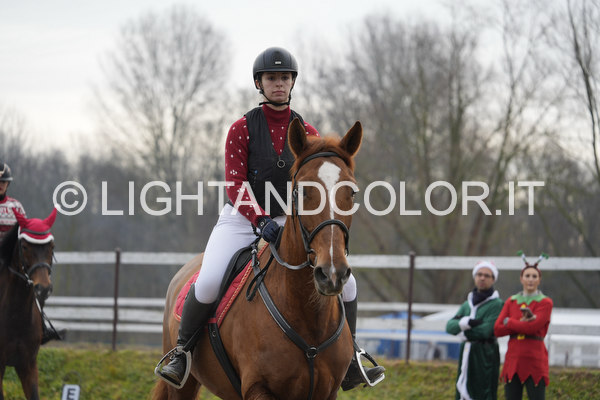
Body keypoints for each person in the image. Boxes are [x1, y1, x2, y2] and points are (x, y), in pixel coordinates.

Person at [156, 47, 385, 389]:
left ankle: (351, 358)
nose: (279, 83)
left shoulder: (308, 131)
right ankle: (182, 352)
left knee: (347, 283)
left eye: (285, 78)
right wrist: (260, 220)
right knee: (208, 281)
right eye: (272, 78)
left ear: (292, 82)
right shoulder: (241, 129)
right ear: (259, 84)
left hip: (288, 221)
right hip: (240, 219)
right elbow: (235, 184)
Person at [0, 160, 64, 344]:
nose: (1, 185)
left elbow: (25, 235)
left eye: (3, 182)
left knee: (34, 286)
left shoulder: (16, 206)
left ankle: (41, 326)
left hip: (10, 259)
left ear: (8, 184)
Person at [494, 252, 553, 400]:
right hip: (513, 359)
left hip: (535, 359)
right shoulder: (511, 301)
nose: (530, 279)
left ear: (539, 280)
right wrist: (522, 323)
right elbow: (497, 329)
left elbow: (532, 328)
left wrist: (510, 321)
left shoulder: (545, 302)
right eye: (527, 276)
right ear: (521, 279)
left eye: (534, 276)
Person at [446, 260, 504, 400]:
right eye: (479, 274)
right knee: (463, 389)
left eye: (486, 275)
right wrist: (466, 323)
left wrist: (462, 331)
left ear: (493, 279)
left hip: (485, 354)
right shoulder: (467, 304)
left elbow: (486, 331)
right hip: (466, 353)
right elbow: (450, 327)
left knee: (483, 391)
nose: (482, 278)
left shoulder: (496, 305)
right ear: (474, 277)